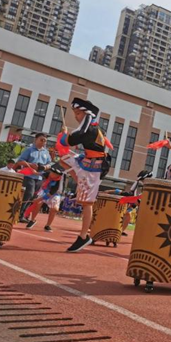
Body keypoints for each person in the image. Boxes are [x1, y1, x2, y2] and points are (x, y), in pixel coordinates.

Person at [59, 98, 109, 253]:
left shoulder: (89, 129)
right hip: (88, 162)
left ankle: (83, 236)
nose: (76, 116)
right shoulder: (94, 128)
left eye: (78, 113)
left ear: (87, 114)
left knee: (87, 203)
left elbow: (70, 140)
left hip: (93, 167)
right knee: (64, 159)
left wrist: (63, 135)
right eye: (75, 113)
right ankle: (79, 181)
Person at [13, 133, 52, 221]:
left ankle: (23, 215)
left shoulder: (46, 152)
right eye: (41, 140)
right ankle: (18, 214)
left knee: (33, 197)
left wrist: (45, 167)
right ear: (35, 140)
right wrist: (31, 165)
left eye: (45, 141)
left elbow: (50, 164)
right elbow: (20, 161)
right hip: (29, 176)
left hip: (39, 177)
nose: (43, 142)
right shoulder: (29, 150)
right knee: (29, 194)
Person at [105, 170, 152, 236]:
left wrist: (110, 191)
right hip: (139, 204)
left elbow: (135, 200)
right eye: (142, 180)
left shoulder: (148, 188)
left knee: (128, 214)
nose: (142, 182)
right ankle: (120, 230)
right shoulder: (142, 188)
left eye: (143, 180)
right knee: (127, 214)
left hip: (147, 208)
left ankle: (121, 230)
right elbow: (133, 198)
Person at [24, 164, 65, 233]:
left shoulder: (59, 182)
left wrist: (38, 199)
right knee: (37, 204)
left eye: (54, 174)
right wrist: (34, 172)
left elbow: (50, 194)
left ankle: (48, 225)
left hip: (54, 194)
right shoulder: (48, 174)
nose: (51, 174)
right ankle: (32, 220)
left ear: (58, 176)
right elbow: (40, 173)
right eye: (51, 172)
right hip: (44, 190)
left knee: (54, 209)